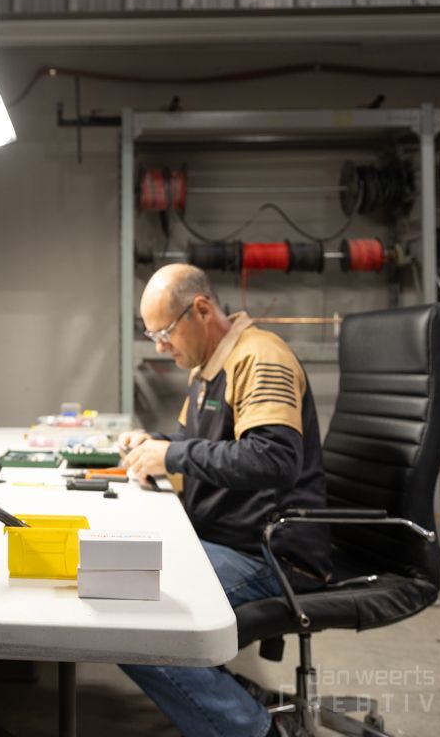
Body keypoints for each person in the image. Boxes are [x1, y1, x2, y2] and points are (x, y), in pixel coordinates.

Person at [118, 264, 331, 737]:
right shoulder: (207, 369)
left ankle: (253, 730)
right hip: (228, 539)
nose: (160, 346)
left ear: (201, 309)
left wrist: (171, 453)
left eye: (165, 333)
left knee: (129, 619)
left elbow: (273, 458)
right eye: (152, 336)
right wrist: (154, 444)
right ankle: (229, 700)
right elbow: (203, 443)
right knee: (123, 584)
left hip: (273, 553)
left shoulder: (260, 357)